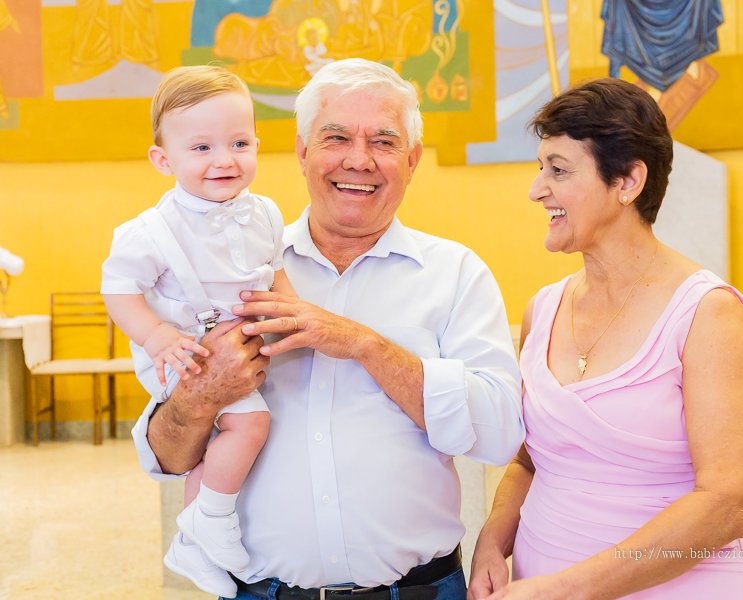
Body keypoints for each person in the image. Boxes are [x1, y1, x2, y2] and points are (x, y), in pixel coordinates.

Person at [130, 58, 525, 600]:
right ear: (301, 152)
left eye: (384, 142)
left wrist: (364, 345)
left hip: (422, 591)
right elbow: (166, 457)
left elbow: (500, 433)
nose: (358, 160)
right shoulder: (219, 273)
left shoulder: (456, 274)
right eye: (336, 137)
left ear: (411, 161)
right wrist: (202, 395)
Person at [468, 78, 743, 600]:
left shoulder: (706, 313)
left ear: (628, 180)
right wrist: (492, 543)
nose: (536, 188)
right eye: (541, 167)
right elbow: (527, 460)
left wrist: (568, 588)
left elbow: (728, 503)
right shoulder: (542, 309)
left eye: (558, 170)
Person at [102, 66, 296, 597]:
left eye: (239, 142)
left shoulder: (265, 213)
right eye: (202, 147)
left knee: (219, 437)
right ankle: (212, 522)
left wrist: (293, 314)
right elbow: (118, 289)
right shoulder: (148, 232)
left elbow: (274, 273)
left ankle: (197, 540)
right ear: (164, 160)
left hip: (240, 346)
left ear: (258, 142)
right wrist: (155, 336)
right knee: (249, 425)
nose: (224, 160)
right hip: (181, 352)